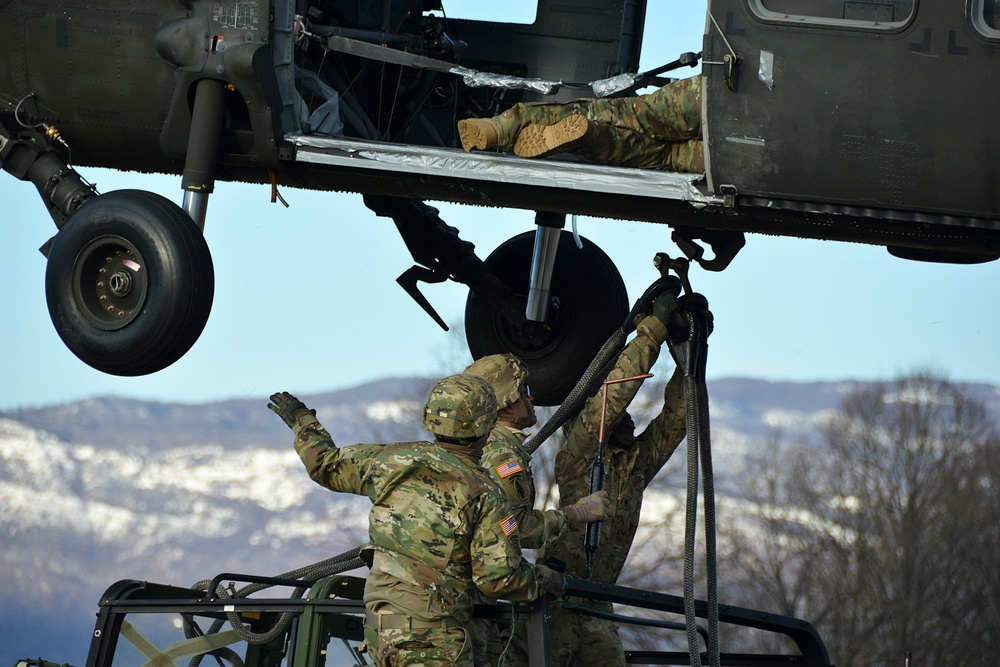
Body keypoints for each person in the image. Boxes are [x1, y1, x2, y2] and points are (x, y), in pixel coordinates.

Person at [269, 373, 568, 667]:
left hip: (380, 634)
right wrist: (549, 580)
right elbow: (499, 579)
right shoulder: (486, 494)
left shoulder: (392, 460)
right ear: (486, 424)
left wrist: (303, 421)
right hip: (433, 642)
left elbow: (324, 463)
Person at [505, 292, 702, 667]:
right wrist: (652, 333)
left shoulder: (635, 465)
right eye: (619, 417)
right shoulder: (577, 457)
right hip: (556, 602)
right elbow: (612, 398)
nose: (625, 419)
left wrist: (689, 356)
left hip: (597, 604)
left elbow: (678, 418)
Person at [462, 353, 611, 667]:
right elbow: (516, 527)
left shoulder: (485, 446)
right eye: (523, 389)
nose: (531, 397)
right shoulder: (502, 453)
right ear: (506, 405)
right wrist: (577, 514)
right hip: (474, 604)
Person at [457, 76, 703, 172]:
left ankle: (504, 128)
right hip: (729, 160)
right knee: (669, 157)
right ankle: (591, 138)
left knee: (639, 116)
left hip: (721, 105)